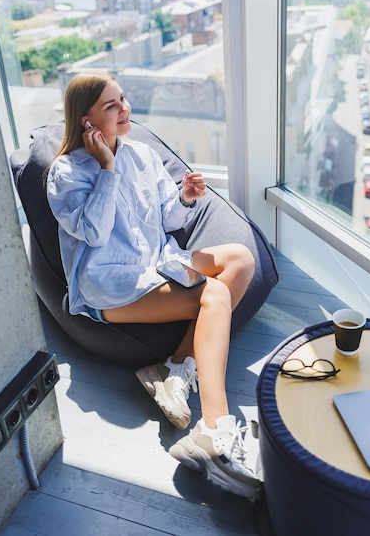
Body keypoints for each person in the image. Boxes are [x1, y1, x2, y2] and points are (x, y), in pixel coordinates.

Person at [46, 71, 262, 500]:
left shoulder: (142, 154)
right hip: (111, 284)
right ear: (85, 121)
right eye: (111, 106)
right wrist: (107, 167)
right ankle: (214, 430)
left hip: (158, 262)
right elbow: (92, 231)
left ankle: (176, 367)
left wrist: (184, 197)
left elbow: (166, 220)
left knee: (241, 258)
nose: (125, 109)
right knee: (214, 293)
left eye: (122, 99)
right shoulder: (65, 173)